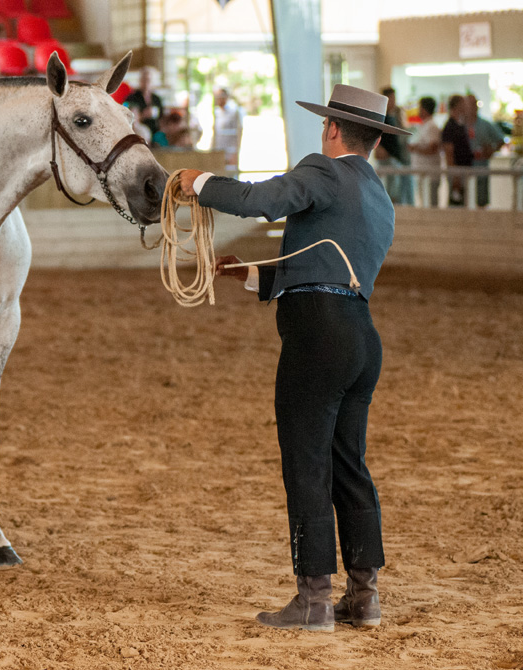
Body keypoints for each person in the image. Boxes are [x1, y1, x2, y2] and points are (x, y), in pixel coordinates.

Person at [176, 83, 410, 633]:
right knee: (349, 462)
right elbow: (323, 271)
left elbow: (261, 200)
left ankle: (313, 599)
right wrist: (246, 275)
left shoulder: (323, 171)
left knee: (306, 460)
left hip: (316, 336)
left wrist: (199, 183)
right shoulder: (379, 197)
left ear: (332, 129)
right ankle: (364, 595)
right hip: (358, 335)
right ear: (375, 139)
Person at [466, 94, 506, 209]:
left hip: (481, 166)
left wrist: (492, 150)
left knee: (481, 199)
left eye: (474, 104)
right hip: (465, 167)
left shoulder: (485, 124)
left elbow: (501, 140)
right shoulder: (461, 125)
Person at [374, 86, 412, 205]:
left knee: (398, 190)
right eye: (392, 99)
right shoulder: (381, 119)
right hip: (388, 160)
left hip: (395, 158)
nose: (394, 102)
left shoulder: (393, 117)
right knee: (391, 192)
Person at [407, 96, 442, 207]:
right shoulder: (423, 125)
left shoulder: (432, 126)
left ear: (424, 109)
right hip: (422, 173)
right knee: (423, 203)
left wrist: (415, 148)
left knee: (430, 205)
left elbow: (433, 148)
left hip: (430, 174)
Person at [441, 94, 472, 207]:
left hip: (463, 169)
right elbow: (449, 153)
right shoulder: (450, 127)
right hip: (457, 171)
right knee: (456, 202)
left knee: (463, 201)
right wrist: (455, 176)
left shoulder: (461, 125)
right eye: (463, 104)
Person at [123, 66, 163, 138]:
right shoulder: (132, 98)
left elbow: (162, 116)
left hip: (155, 130)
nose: (146, 83)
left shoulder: (156, 99)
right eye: (144, 80)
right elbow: (127, 119)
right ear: (140, 81)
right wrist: (143, 115)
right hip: (138, 130)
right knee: (143, 134)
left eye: (149, 80)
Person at [211, 86, 243, 171]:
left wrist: (235, 152)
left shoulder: (234, 112)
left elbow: (238, 132)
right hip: (218, 151)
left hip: (230, 150)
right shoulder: (216, 112)